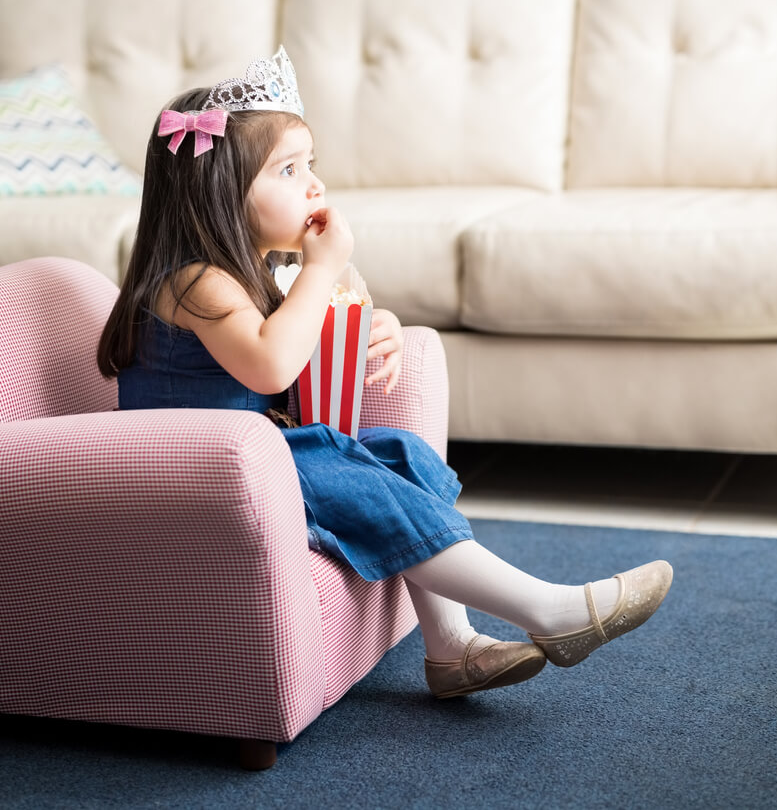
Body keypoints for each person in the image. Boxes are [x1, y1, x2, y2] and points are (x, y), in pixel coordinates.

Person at [96, 47, 673, 699]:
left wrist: (376, 329)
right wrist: (318, 271)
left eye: (310, 165)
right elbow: (269, 364)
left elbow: (302, 356)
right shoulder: (192, 282)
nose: (314, 185)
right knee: (327, 462)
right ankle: (551, 612)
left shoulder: (252, 278)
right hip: (198, 470)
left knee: (399, 452)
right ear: (219, 194)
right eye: (288, 170)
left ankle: (451, 645)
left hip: (255, 453)